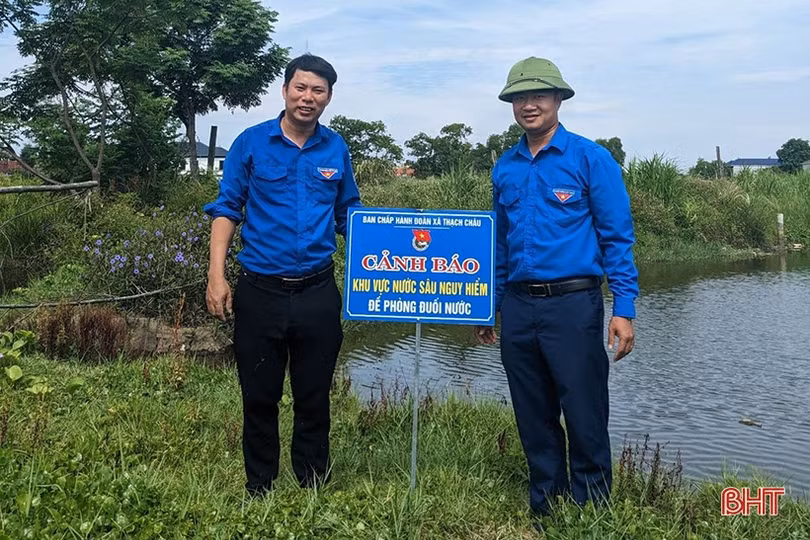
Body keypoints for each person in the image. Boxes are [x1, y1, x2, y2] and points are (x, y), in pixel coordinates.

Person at [474, 57, 639, 523]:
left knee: (583, 409)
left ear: (559, 100)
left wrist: (623, 308)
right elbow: (499, 246)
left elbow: (617, 237)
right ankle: (547, 503)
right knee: (533, 410)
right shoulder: (505, 167)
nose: (529, 105)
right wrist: (490, 307)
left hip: (573, 303)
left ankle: (592, 509)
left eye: (538, 95)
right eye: (519, 97)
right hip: (519, 306)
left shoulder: (590, 159)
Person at [203, 53, 361, 495]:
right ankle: (260, 486)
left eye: (319, 90)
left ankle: (312, 482)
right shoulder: (251, 143)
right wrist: (217, 276)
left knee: (314, 395)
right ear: (285, 89)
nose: (308, 97)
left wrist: (397, 246)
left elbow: (351, 214)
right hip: (260, 291)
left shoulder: (336, 148)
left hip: (317, 291)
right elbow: (226, 209)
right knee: (259, 395)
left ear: (329, 97)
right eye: (301, 87)